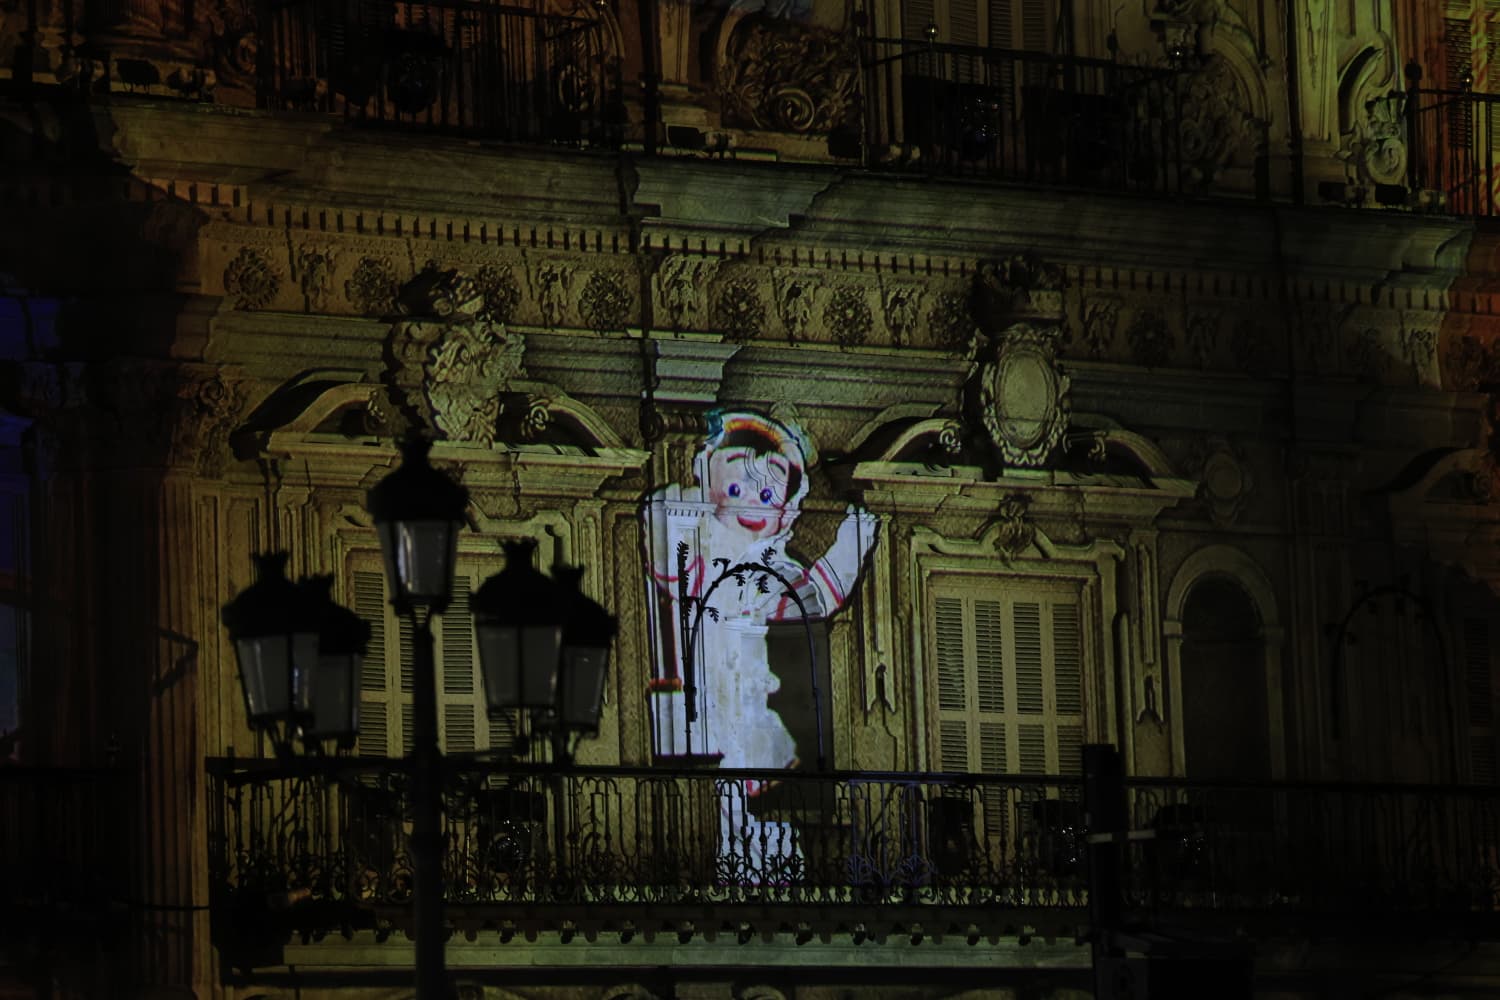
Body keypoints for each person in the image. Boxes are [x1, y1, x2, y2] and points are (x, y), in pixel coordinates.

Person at [641, 410, 877, 878]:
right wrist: (684, 508)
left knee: (756, 790)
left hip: (749, 703)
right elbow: (663, 553)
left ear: (785, 510)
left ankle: (762, 853)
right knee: (726, 785)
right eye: (736, 488)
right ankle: (737, 853)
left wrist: (852, 541)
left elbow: (816, 598)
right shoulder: (700, 558)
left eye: (768, 494)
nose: (752, 502)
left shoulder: (776, 575)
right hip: (708, 702)